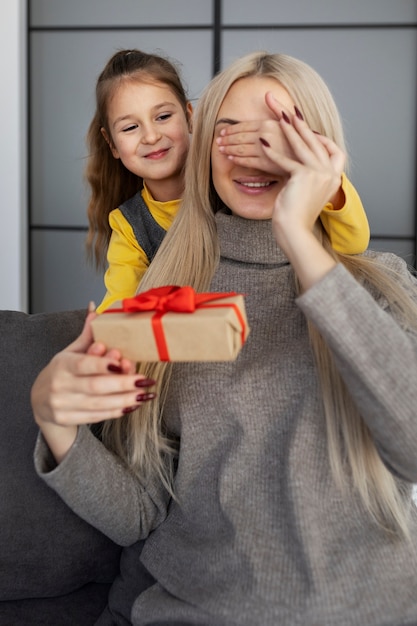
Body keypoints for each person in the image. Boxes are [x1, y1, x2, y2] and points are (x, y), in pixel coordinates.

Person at [32, 51, 417, 625]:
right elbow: (139, 513)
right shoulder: (168, 297)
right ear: (203, 144)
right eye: (227, 128)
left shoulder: (379, 285)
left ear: (319, 149)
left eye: (278, 129)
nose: (250, 147)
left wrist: (296, 231)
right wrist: (54, 420)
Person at [85, 48, 370, 314]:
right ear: (111, 144)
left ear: (189, 117)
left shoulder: (230, 179)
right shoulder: (129, 225)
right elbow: (119, 307)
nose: (150, 136)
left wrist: (324, 178)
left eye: (163, 116)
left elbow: (351, 243)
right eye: (130, 127)